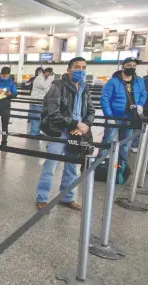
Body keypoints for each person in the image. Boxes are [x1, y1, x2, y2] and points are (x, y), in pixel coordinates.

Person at [35, 57, 95, 211]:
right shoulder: (57, 86)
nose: (80, 70)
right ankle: (42, 198)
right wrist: (75, 124)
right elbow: (53, 112)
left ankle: (67, 197)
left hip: (78, 132)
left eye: (83, 67)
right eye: (77, 67)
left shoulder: (84, 87)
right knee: (50, 165)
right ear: (69, 69)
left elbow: (91, 110)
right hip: (59, 132)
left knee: (71, 167)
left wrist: (85, 125)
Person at [99, 57, 146, 159]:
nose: (132, 68)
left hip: (130, 116)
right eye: (129, 65)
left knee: (126, 143)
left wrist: (140, 104)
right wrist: (109, 116)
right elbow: (104, 99)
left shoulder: (139, 81)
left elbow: (143, 93)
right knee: (107, 140)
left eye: (134, 66)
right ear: (123, 67)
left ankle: (121, 164)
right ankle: (100, 163)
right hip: (115, 117)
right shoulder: (113, 81)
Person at [28, 67, 54, 136]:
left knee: (40, 118)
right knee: (35, 118)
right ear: (47, 72)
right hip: (36, 102)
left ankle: (37, 133)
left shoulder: (45, 79)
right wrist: (50, 79)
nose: (50, 76)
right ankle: (33, 134)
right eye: (50, 74)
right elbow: (45, 87)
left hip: (41, 102)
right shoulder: (39, 78)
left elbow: (49, 88)